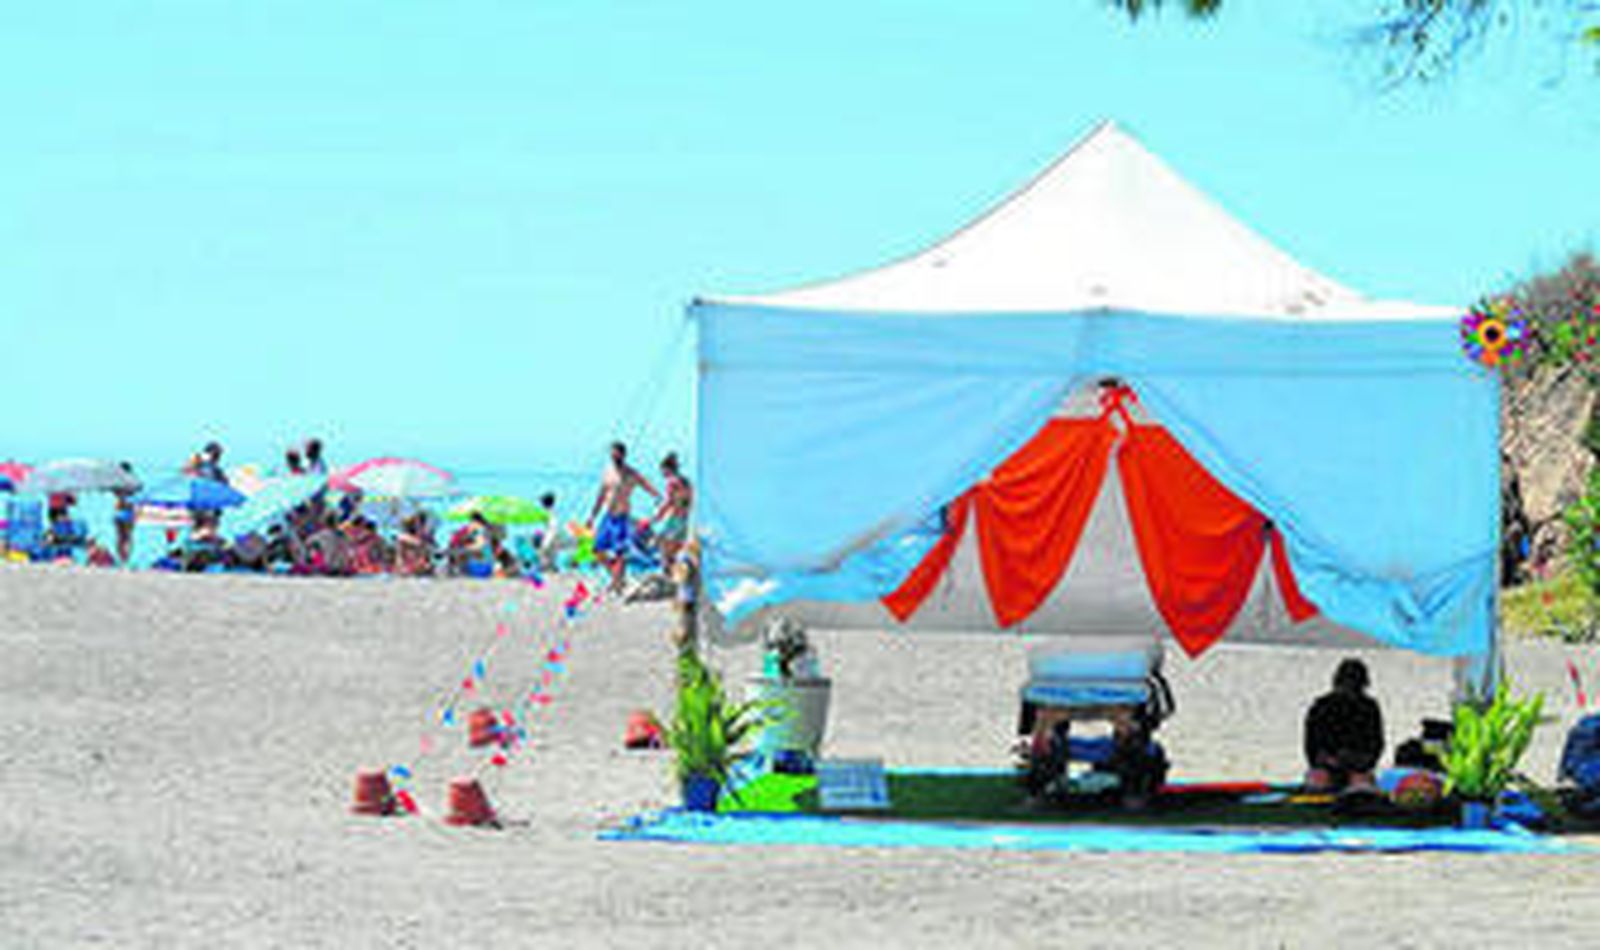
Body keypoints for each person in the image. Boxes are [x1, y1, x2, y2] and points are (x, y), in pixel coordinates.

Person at [586, 441, 660, 594]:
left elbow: (645, 484)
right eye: (612, 455)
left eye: (616, 455)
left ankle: (616, 582)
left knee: (620, 552)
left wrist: (657, 497)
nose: (614, 457)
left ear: (623, 455)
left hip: (622, 517)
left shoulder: (630, 474)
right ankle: (616, 577)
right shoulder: (607, 472)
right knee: (597, 550)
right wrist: (592, 516)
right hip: (608, 517)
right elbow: (601, 496)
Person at [1304, 658, 1384, 792]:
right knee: (1318, 783)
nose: (1349, 689)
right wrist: (1329, 761)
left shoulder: (1369, 708)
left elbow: (1375, 746)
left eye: (1353, 684)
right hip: (1326, 766)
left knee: (1361, 787)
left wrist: (1357, 762)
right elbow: (1312, 747)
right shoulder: (1321, 707)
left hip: (1358, 767)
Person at [651, 453, 693, 572]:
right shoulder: (686, 482)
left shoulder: (672, 482)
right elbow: (689, 501)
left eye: (663, 470)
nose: (662, 473)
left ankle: (666, 572)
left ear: (668, 469)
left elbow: (669, 502)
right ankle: (673, 573)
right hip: (684, 520)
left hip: (674, 519)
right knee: (675, 549)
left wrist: (657, 516)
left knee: (661, 542)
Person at [112, 485, 136, 565]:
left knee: (122, 537)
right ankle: (124, 558)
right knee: (126, 537)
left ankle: (123, 558)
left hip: (122, 516)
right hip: (125, 516)